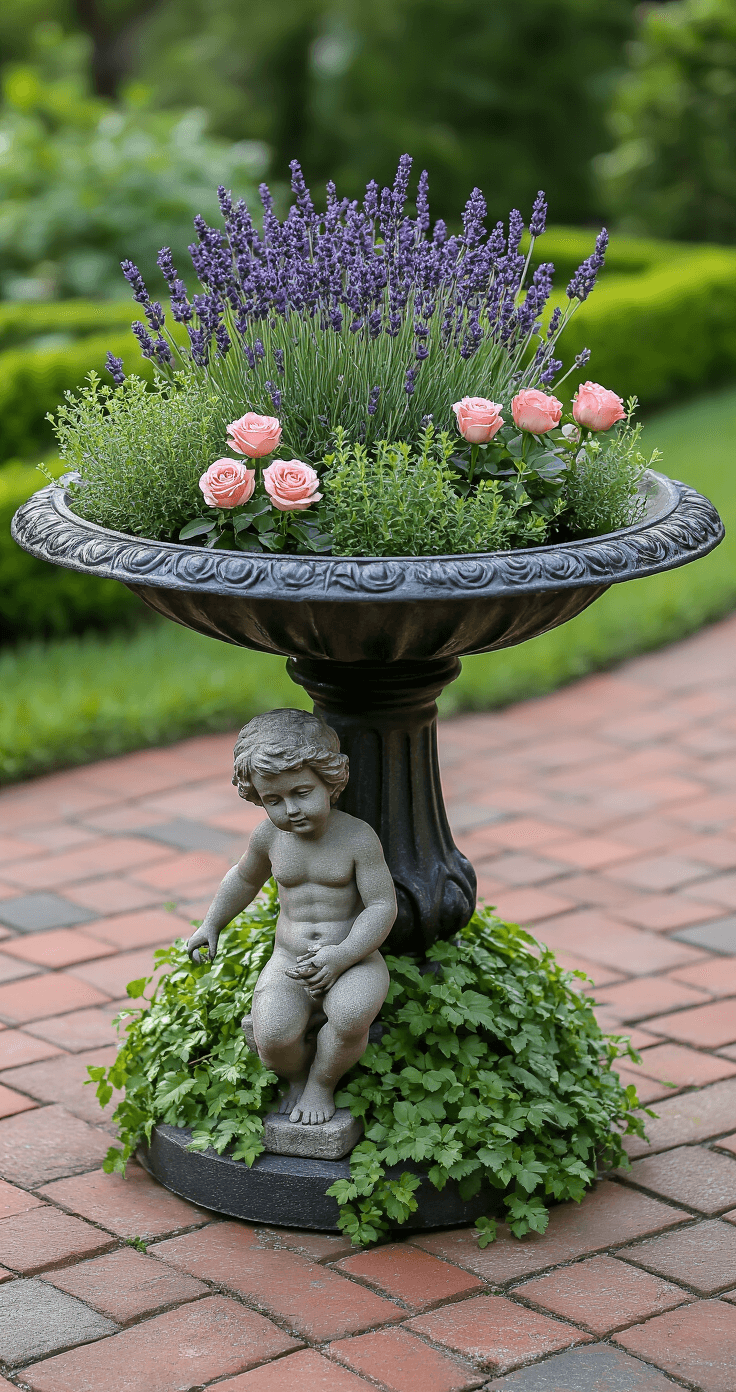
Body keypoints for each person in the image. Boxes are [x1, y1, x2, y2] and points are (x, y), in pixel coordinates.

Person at [186, 709, 396, 1125]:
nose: (290, 810)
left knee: (352, 1014)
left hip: (352, 959)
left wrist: (343, 955)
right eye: (273, 800)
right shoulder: (269, 838)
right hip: (290, 961)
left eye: (302, 792)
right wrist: (211, 924)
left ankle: (322, 1082)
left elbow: (381, 906)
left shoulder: (357, 838)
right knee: (273, 1038)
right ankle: (297, 1077)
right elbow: (244, 879)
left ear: (330, 782)